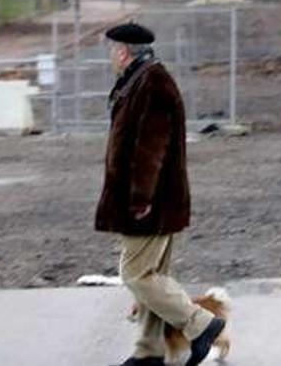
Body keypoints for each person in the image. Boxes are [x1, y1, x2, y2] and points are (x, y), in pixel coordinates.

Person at [96, 22, 226, 366]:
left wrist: (140, 198)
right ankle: (148, 352)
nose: (110, 55)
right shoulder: (141, 80)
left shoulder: (151, 84)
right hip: (159, 199)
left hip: (151, 201)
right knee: (155, 276)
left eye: (113, 49)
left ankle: (202, 324)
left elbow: (150, 148)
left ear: (124, 52)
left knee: (136, 274)